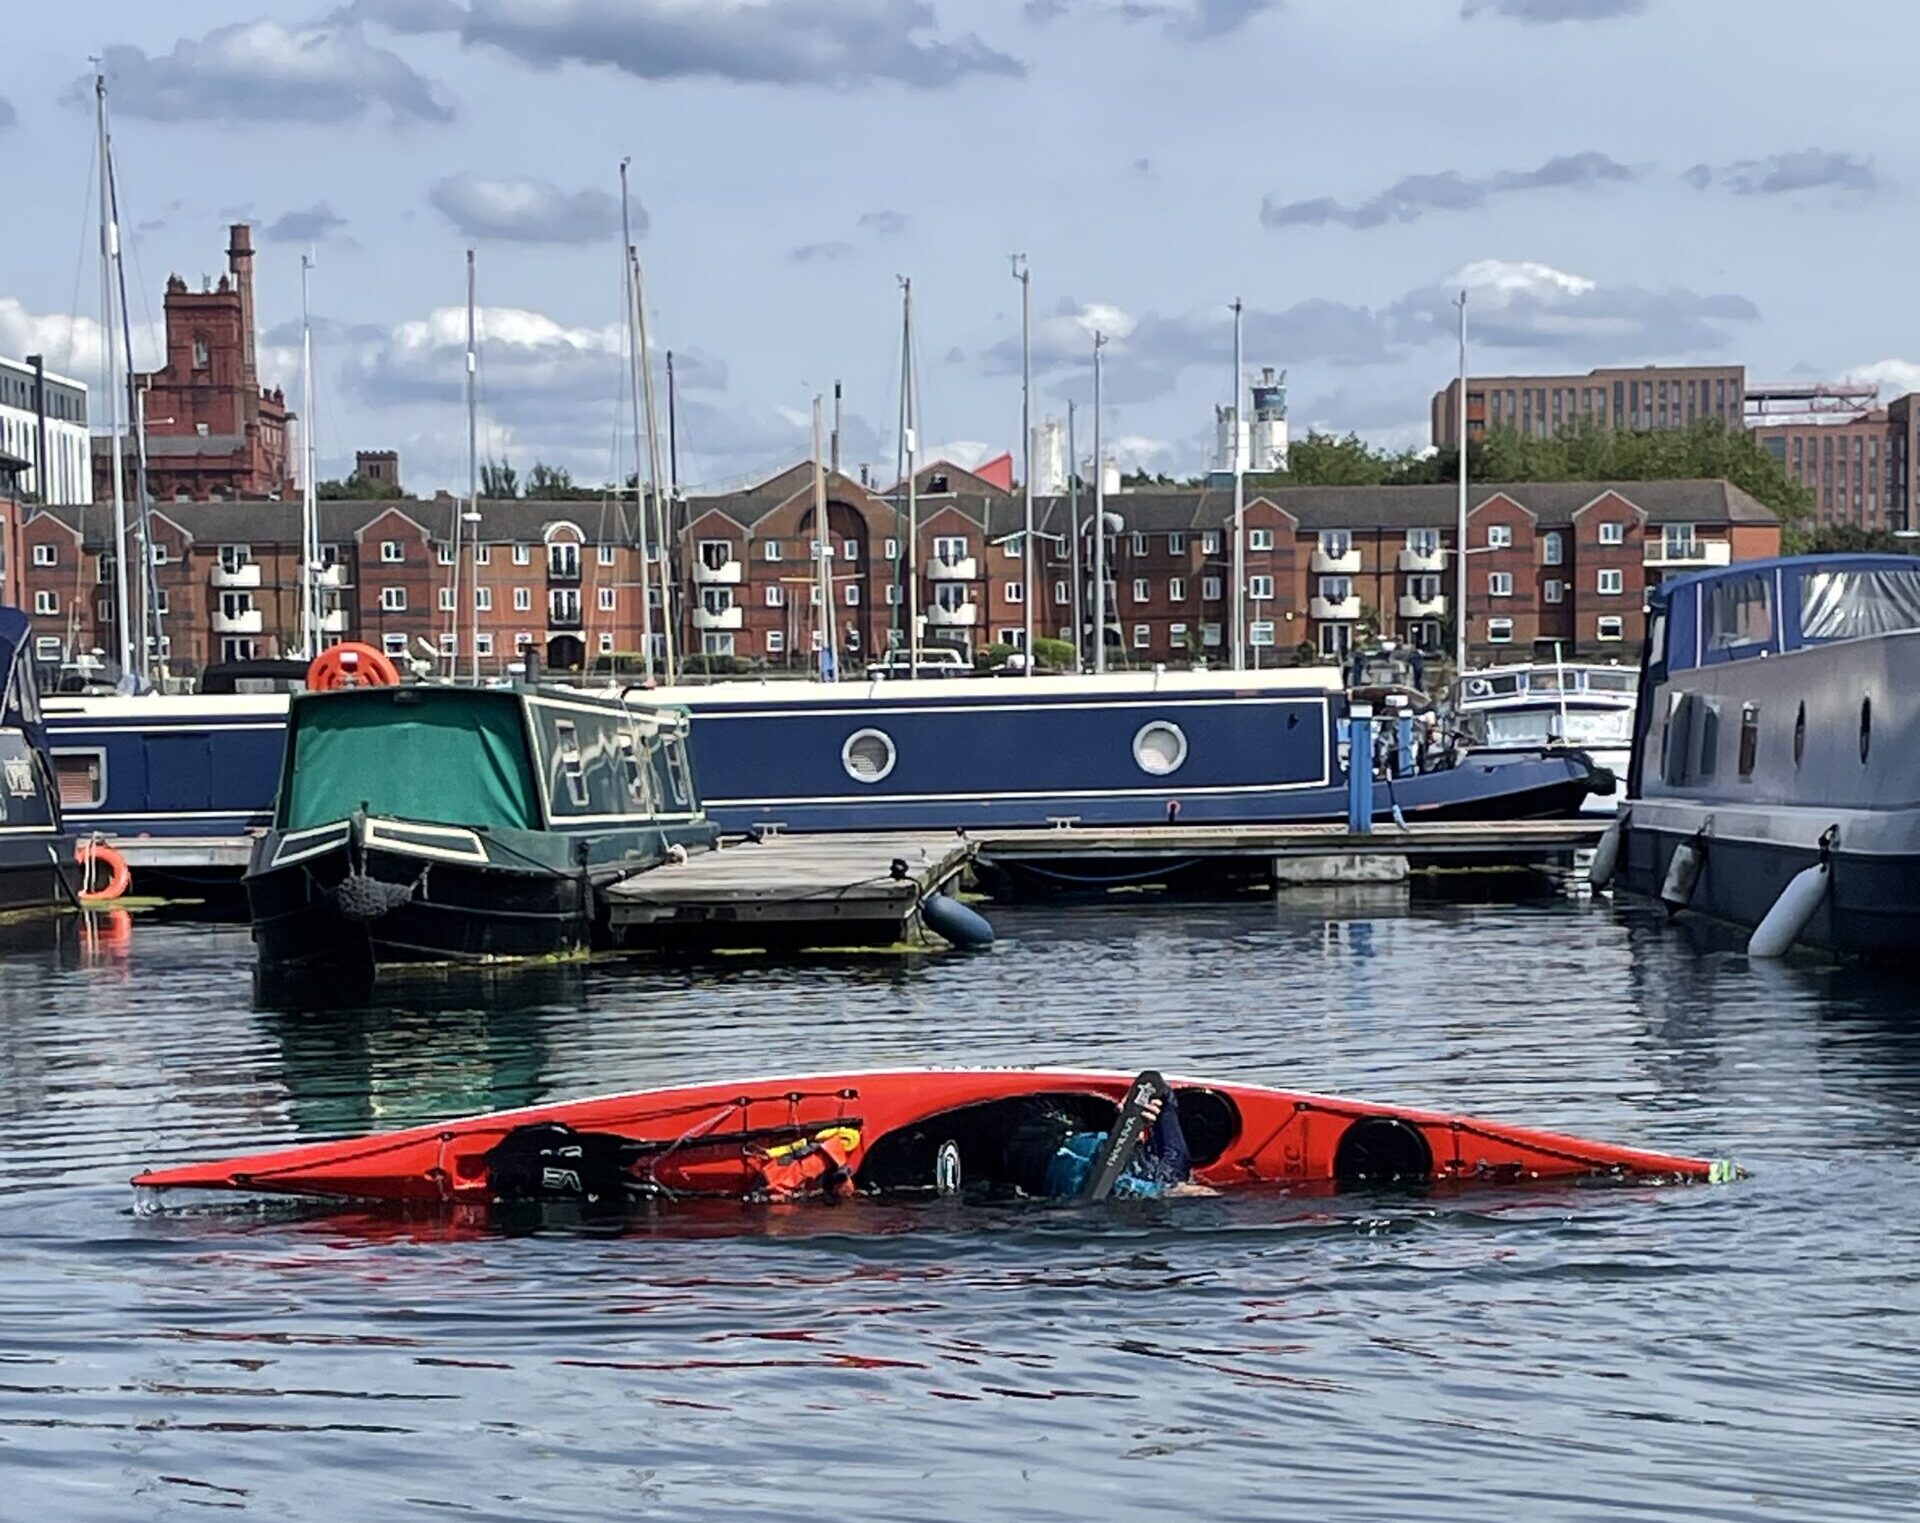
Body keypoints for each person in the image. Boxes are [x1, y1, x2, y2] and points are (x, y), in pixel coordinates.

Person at [999, 1092, 1202, 1199]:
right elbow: (1161, 1091)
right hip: (1051, 1130)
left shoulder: (1161, 1181)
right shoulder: (1174, 1164)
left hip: (1035, 1163)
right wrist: (1141, 1099)